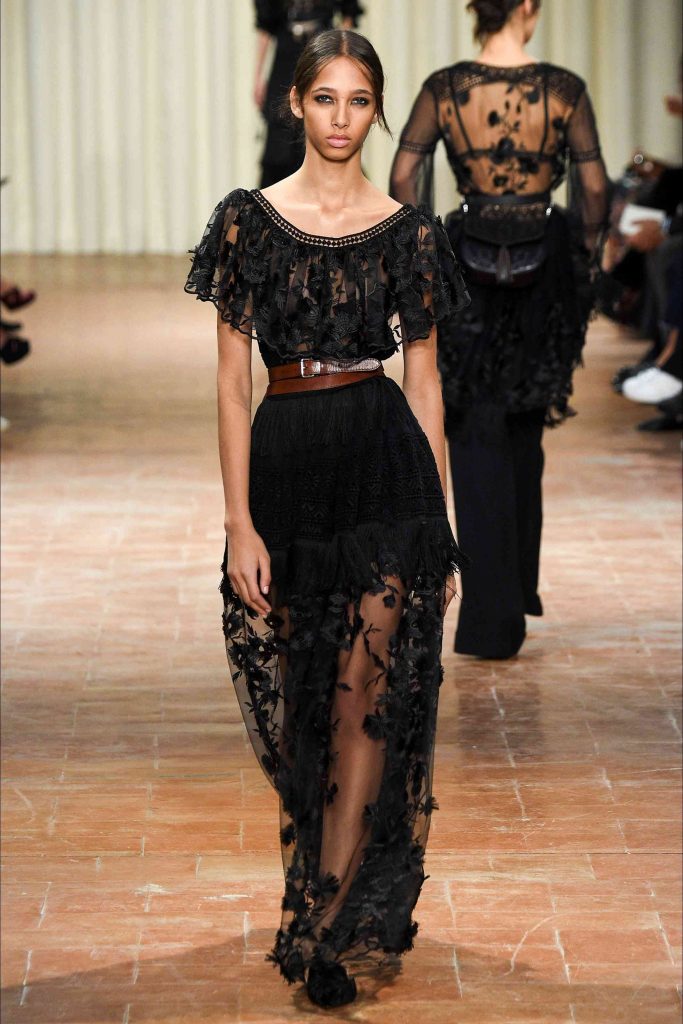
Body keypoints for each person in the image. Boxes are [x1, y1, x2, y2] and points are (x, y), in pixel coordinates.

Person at [185, 28, 469, 1009]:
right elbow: (231, 385)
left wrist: (438, 529)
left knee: (361, 702)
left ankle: (326, 928)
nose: (341, 118)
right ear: (293, 104)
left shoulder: (409, 233)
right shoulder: (248, 224)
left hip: (384, 467)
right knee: (303, 709)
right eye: (324, 99)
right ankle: (324, 891)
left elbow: (425, 386)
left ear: (376, 110)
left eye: (358, 101)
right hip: (289, 467)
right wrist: (238, 523)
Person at [390, 0, 608, 660]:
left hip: (467, 263)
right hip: (543, 267)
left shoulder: (446, 87)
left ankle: (491, 617)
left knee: (473, 430)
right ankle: (515, 592)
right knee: (522, 432)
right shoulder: (562, 88)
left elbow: (404, 175)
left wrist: (423, 258)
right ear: (527, 6)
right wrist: (585, 263)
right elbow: (594, 187)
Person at [253, 1, 363, 187]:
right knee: (279, 134)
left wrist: (341, 59)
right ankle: (277, 201)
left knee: (322, 121)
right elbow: (266, 25)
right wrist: (258, 76)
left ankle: (329, 192)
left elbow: (349, 14)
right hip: (285, 55)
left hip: (322, 51)